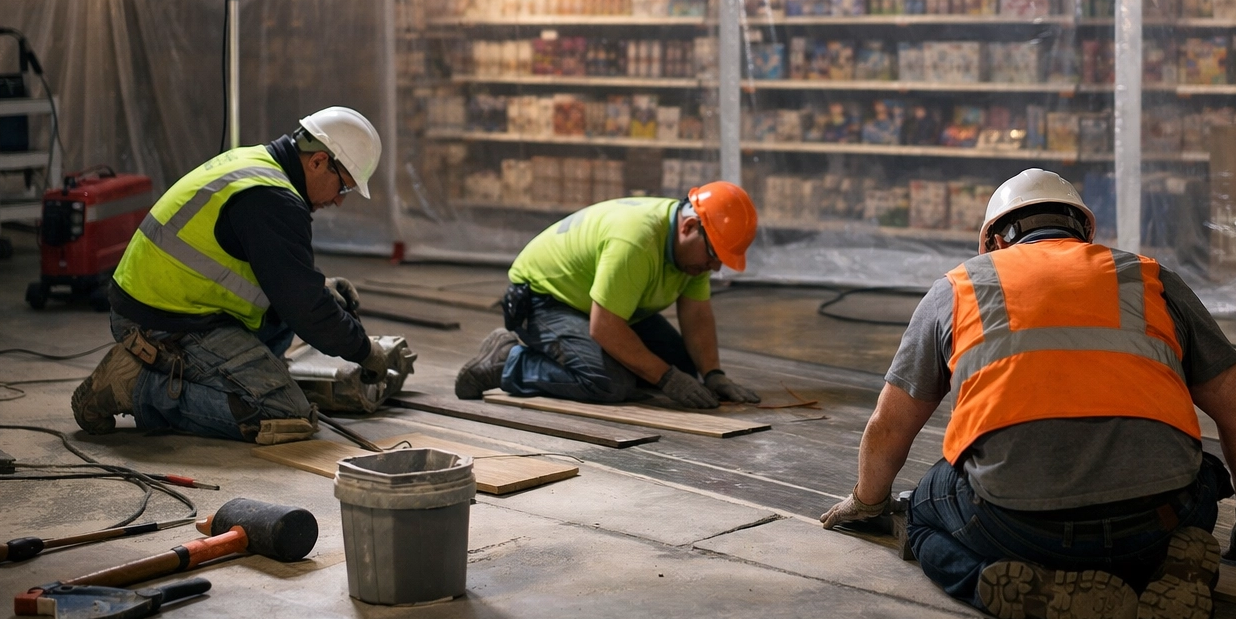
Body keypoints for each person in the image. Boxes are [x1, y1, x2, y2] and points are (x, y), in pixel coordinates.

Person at [819, 168, 1236, 619]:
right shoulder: (1149, 278)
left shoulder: (958, 288)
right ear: (1084, 231)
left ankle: (1023, 590)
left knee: (922, 513)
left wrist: (867, 503)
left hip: (1017, 528)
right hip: (1163, 519)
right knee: (1204, 472)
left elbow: (890, 425)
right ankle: (1166, 566)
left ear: (994, 242)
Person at [73, 107, 400, 445]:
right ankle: (137, 385)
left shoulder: (258, 166)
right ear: (318, 161)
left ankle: (237, 378)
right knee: (286, 414)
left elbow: (271, 267)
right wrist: (365, 351)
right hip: (160, 323)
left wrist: (320, 289)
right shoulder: (274, 199)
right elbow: (305, 309)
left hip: (168, 304)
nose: (338, 201)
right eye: (343, 188)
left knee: (293, 312)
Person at [455, 182, 760, 410]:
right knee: (609, 383)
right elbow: (605, 327)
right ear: (690, 226)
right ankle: (507, 360)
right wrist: (666, 379)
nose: (715, 267)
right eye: (714, 255)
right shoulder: (637, 241)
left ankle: (584, 355)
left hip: (600, 304)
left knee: (683, 369)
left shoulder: (694, 249)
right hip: (544, 298)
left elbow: (697, 314)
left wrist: (713, 374)